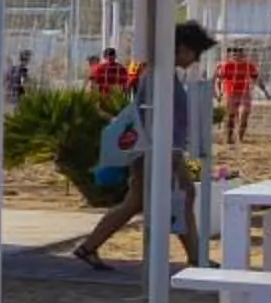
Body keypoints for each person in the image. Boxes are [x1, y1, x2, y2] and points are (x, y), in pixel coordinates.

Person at [75, 21, 216, 270]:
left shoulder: (160, 74)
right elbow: (154, 118)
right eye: (195, 53)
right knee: (177, 197)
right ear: (183, 48)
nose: (195, 60)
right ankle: (195, 257)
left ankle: (89, 247)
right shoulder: (158, 77)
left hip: (156, 149)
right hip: (156, 150)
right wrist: (170, 151)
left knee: (156, 199)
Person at [218, 45, 258, 144]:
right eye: (234, 55)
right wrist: (220, 93)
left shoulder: (249, 65)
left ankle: (240, 138)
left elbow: (256, 78)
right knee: (231, 115)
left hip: (244, 93)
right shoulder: (226, 65)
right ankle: (229, 137)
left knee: (245, 114)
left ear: (243, 55)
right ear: (231, 56)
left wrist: (265, 92)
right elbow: (219, 80)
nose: (237, 57)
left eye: (239, 54)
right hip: (230, 93)